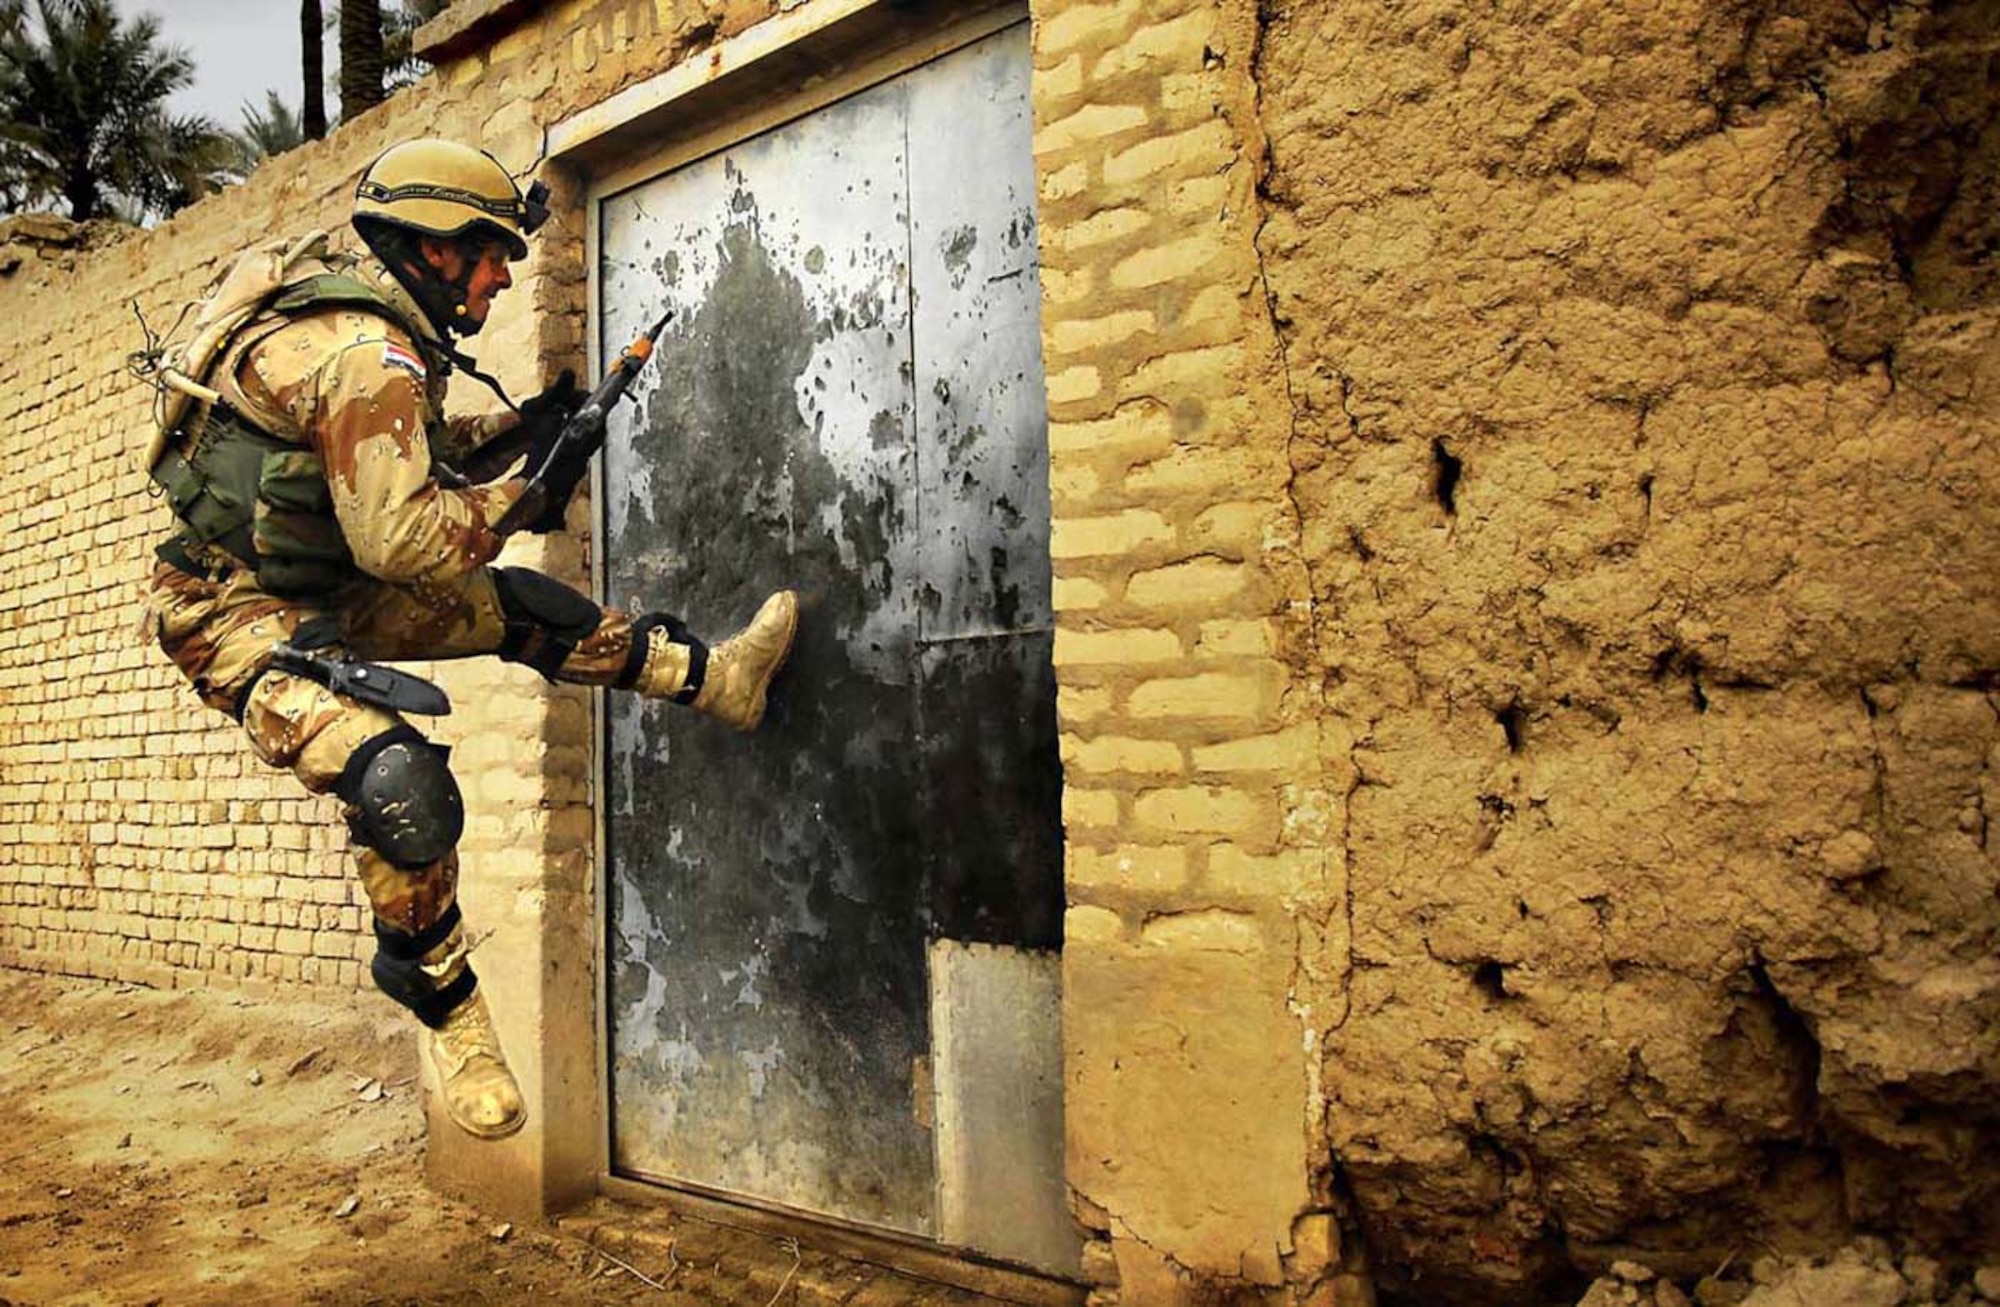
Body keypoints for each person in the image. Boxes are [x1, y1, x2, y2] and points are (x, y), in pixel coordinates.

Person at [139, 139, 797, 1140]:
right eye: (490, 251)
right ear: (433, 246)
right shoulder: (370, 356)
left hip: (323, 578)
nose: (504, 271)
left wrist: (523, 425)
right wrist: (524, 494)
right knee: (397, 782)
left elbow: (387, 458)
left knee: (530, 608)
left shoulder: (357, 328)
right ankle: (451, 1010)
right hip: (230, 614)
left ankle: (719, 681)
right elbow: (409, 541)